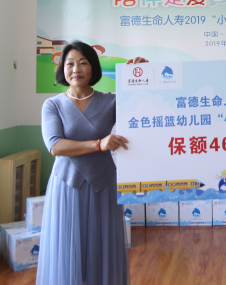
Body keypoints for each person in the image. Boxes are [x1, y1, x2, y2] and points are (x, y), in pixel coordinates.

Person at [37, 41, 147, 285]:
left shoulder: (111, 101)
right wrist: (99, 144)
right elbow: (55, 146)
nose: (76, 69)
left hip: (103, 184)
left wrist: (143, 76)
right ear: (62, 69)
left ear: (93, 68)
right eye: (70, 64)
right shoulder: (53, 104)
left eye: (83, 63)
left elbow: (143, 109)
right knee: (67, 251)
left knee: (103, 248)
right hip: (67, 186)